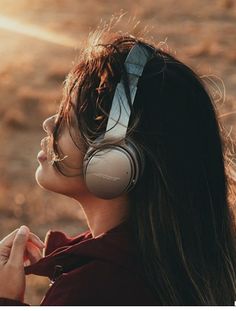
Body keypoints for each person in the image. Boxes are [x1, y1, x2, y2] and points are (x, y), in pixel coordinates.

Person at [0, 27, 235, 306]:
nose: (49, 124)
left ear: (115, 159)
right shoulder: (185, 256)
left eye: (70, 120)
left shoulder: (90, 291)